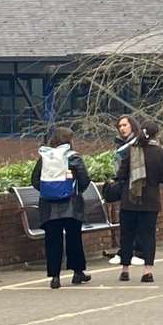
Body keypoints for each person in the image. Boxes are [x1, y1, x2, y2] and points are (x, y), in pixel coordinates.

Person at [30, 128, 92, 290]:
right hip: (71, 205)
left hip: (49, 207)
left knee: (53, 241)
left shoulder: (45, 158)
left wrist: (49, 192)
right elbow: (85, 179)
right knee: (74, 239)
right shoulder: (73, 157)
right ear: (69, 140)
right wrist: (74, 192)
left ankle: (55, 276)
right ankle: (78, 272)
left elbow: (35, 180)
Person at [111, 121, 163, 284]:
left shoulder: (131, 151)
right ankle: (147, 271)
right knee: (148, 236)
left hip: (129, 200)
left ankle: (125, 270)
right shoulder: (162, 153)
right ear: (156, 134)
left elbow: (121, 175)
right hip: (150, 201)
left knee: (127, 235)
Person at [105, 115, 145, 268]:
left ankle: (137, 250)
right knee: (127, 219)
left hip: (136, 183)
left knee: (137, 219)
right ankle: (126, 250)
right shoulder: (121, 144)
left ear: (132, 126)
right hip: (124, 184)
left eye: (124, 125)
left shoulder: (137, 142)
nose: (122, 129)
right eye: (119, 126)